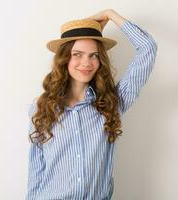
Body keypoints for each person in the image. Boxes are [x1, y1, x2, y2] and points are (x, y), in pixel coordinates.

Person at [26, 9, 158, 200]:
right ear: (64, 58)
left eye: (93, 55)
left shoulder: (112, 102)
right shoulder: (41, 108)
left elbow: (148, 48)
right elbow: (36, 169)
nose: (86, 62)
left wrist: (111, 15)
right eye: (77, 54)